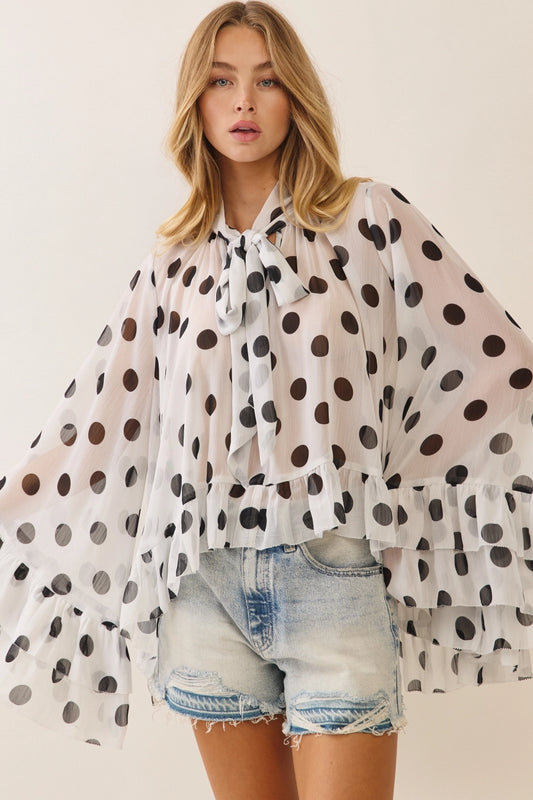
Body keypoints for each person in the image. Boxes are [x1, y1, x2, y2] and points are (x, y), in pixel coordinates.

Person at [1, 2, 533, 799]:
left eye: (267, 80)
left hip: (334, 576)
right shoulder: (172, 262)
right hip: (204, 591)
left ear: (296, 98)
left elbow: (498, 362)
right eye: (221, 81)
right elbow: (104, 421)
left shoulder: (369, 220)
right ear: (196, 102)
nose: (243, 102)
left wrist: (391, 492)